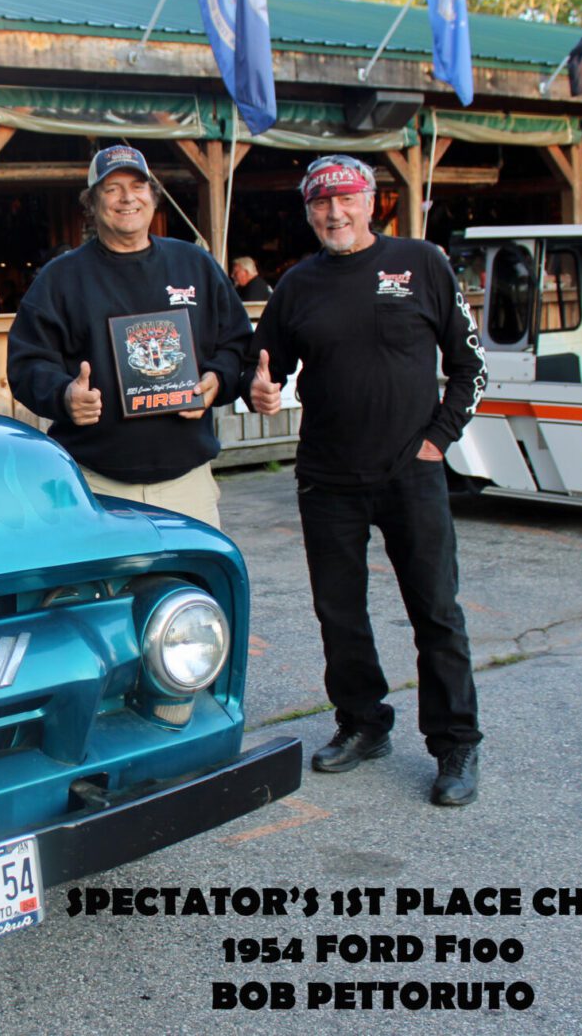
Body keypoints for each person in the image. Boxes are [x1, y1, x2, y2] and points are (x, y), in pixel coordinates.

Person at [244, 153, 487, 806]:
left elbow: (470, 366)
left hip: (411, 474)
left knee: (434, 611)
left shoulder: (422, 264)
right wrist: (257, 391)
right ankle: (361, 723)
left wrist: (438, 441)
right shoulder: (297, 285)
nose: (333, 212)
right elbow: (261, 367)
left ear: (371, 201)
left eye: (345, 199)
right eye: (319, 202)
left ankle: (455, 744)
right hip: (327, 479)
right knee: (339, 615)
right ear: (307, 211)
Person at [6, 144, 251, 529]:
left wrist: (218, 379)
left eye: (137, 186)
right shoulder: (60, 278)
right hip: (95, 483)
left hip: (188, 483)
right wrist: (64, 395)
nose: (127, 198)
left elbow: (237, 343)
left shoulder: (196, 264)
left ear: (152, 196)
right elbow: (26, 363)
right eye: (112, 188)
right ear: (92, 203)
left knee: (191, 590)